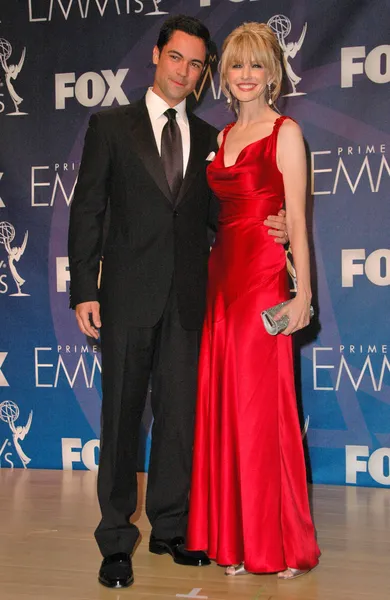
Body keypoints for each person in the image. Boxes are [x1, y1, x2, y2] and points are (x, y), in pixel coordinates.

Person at [68, 15, 288, 589]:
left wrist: (275, 225)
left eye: (196, 64)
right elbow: (86, 211)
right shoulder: (110, 126)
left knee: (178, 421)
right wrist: (84, 292)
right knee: (119, 421)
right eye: (176, 58)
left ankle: (170, 526)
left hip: (191, 301)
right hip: (124, 300)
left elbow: (224, 216)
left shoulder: (211, 135)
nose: (185, 71)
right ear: (156, 57)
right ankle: (116, 538)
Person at [186, 22, 320, 580]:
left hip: (264, 279)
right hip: (221, 281)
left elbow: (299, 222)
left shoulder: (284, 132)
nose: (245, 76)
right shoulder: (216, 138)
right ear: (224, 74)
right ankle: (233, 539)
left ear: (273, 74)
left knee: (263, 411)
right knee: (226, 408)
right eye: (236, 65)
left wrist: (304, 294)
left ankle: (277, 541)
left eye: (256, 65)